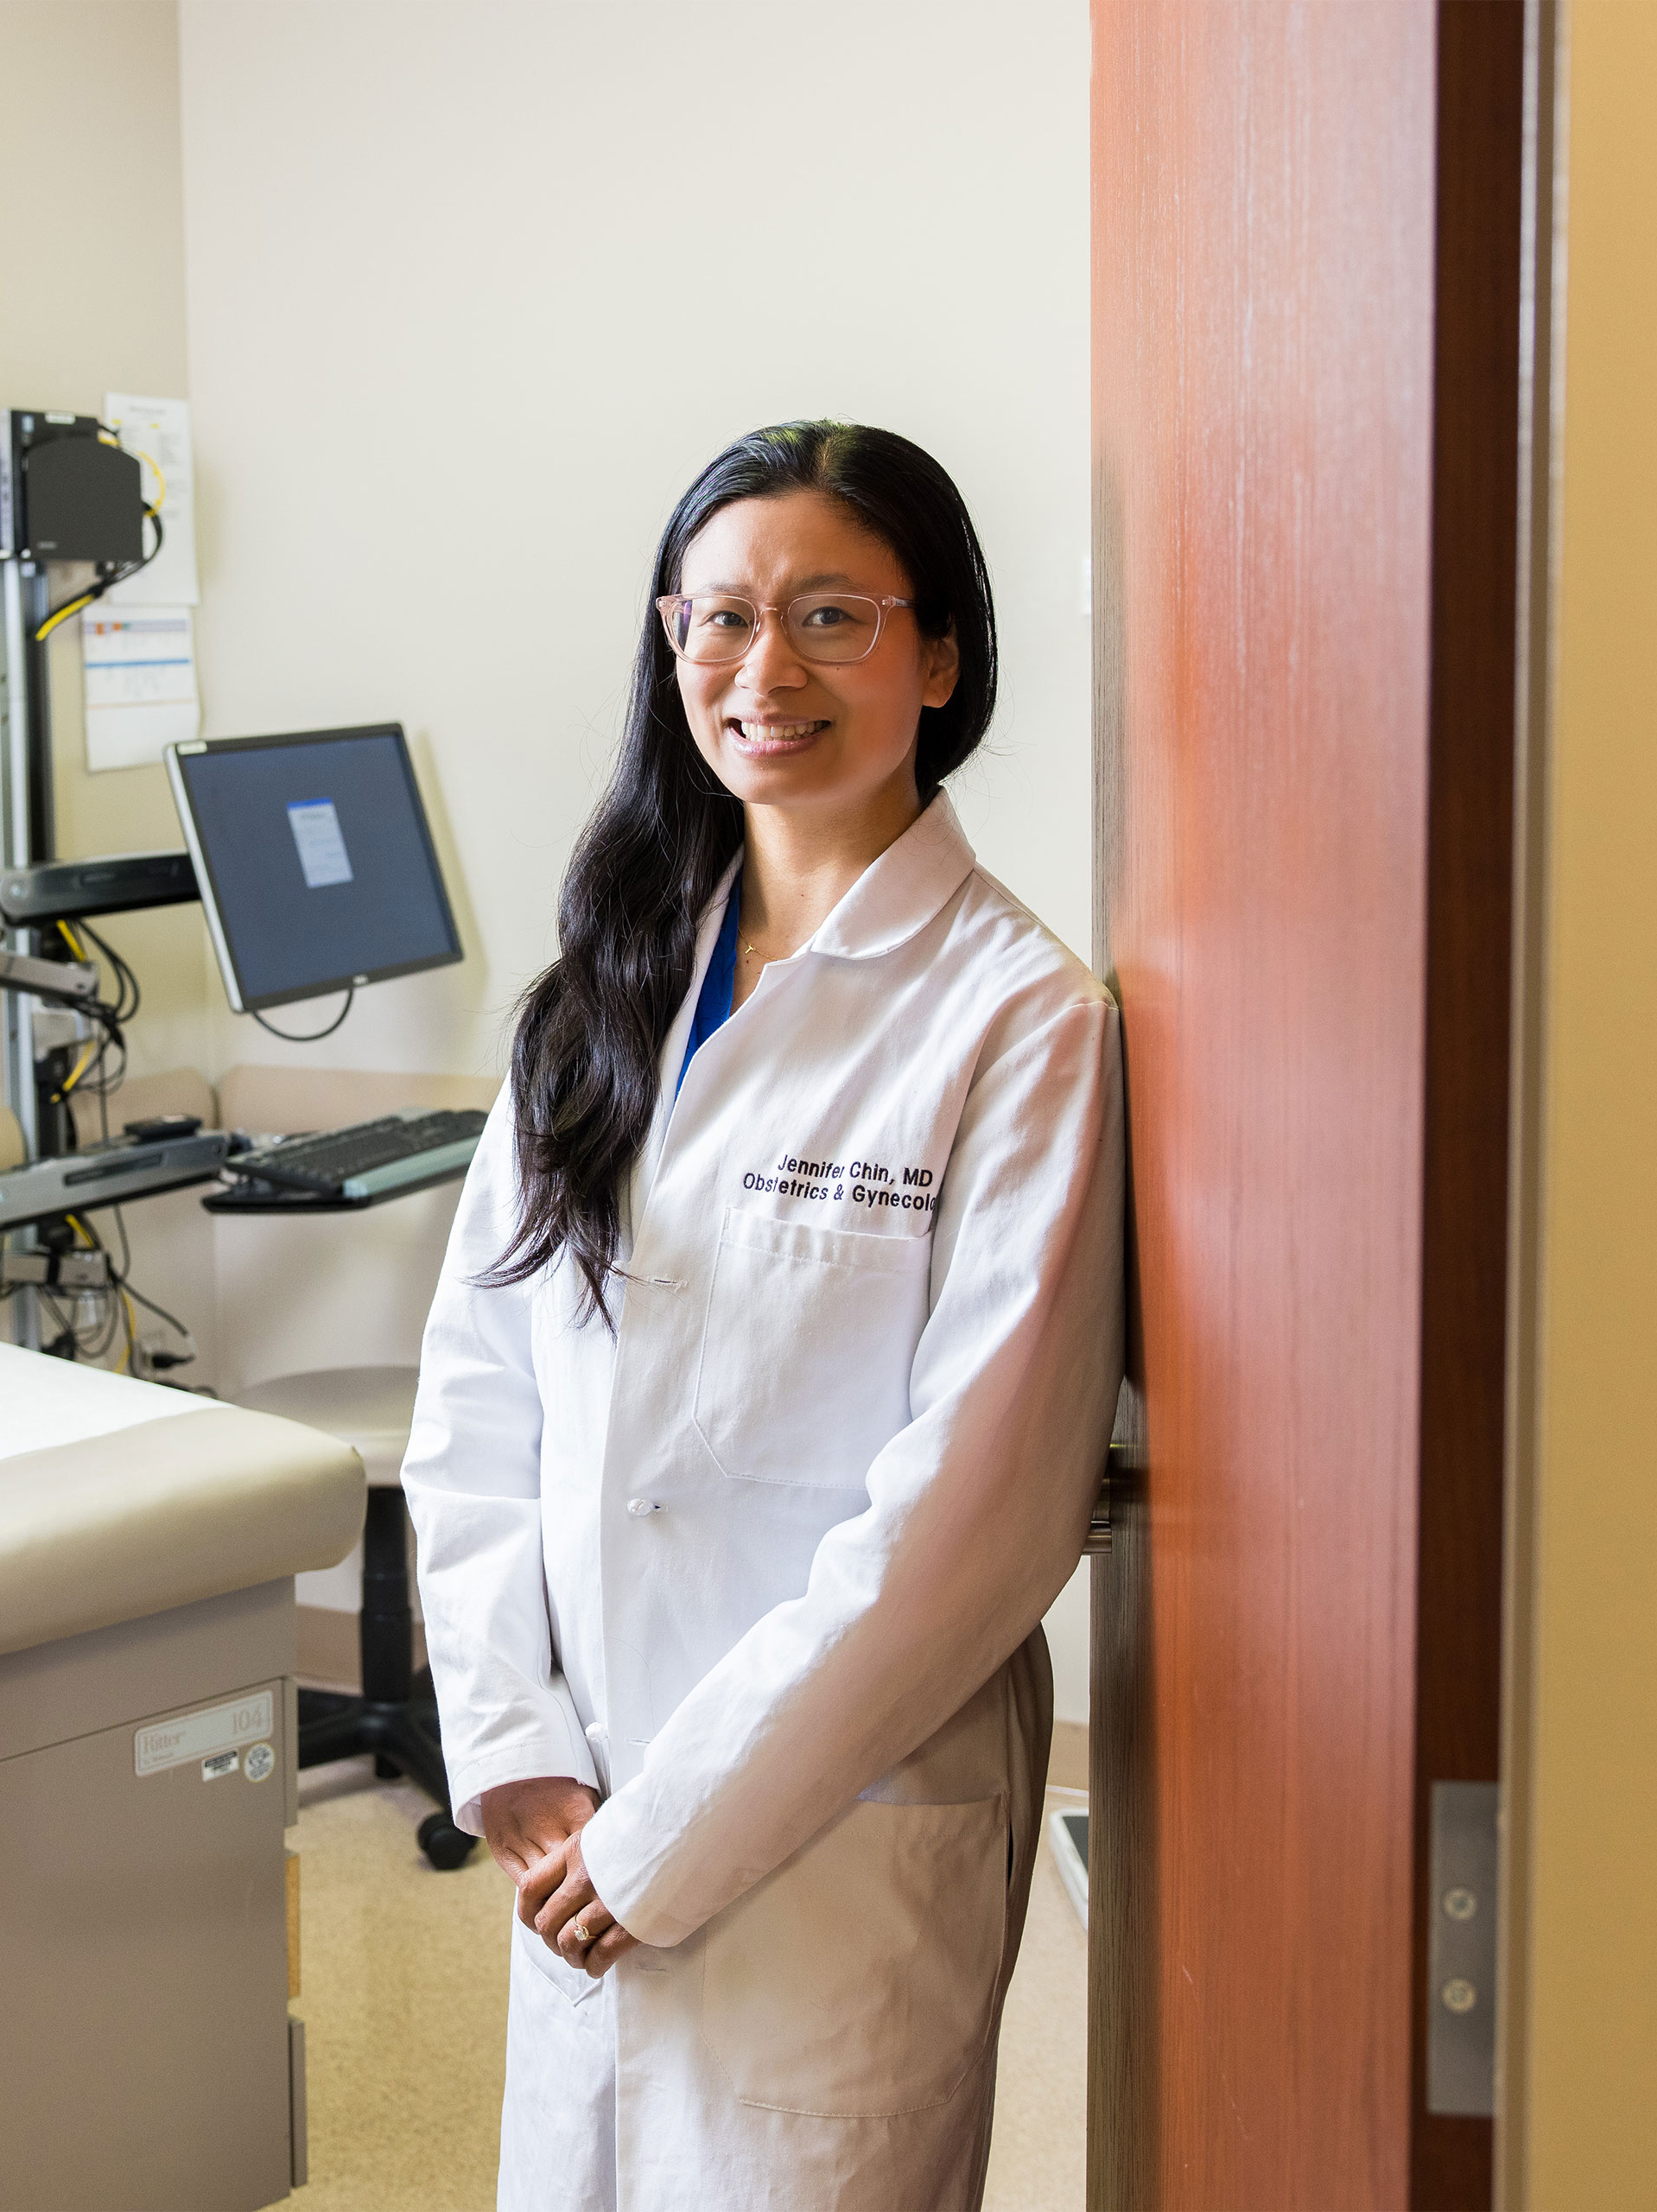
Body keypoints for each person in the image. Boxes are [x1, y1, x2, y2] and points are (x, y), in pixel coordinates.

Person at [403, 421, 1123, 2209]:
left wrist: (673, 1826)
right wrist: (513, 1741)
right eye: (716, 619)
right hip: (579, 1813)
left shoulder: (1021, 1019)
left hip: (832, 1830)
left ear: (939, 654)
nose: (763, 670)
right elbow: (478, 1393)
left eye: (830, 616)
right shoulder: (608, 984)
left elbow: (972, 1517)